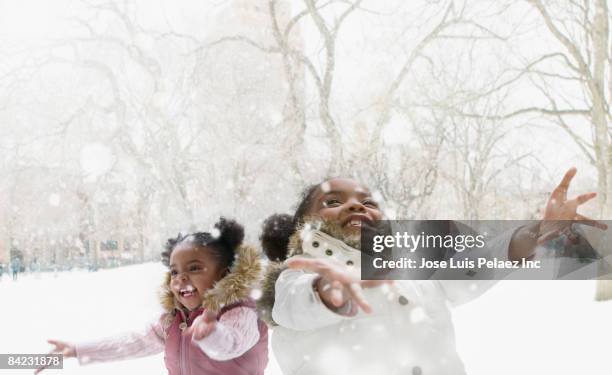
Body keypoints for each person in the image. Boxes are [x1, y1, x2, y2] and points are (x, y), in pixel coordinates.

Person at [258, 168, 606, 375]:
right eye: (332, 202)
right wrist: (330, 292)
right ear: (303, 226)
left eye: (368, 202)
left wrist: (535, 233)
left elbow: (473, 268)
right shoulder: (294, 278)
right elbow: (295, 306)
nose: (355, 205)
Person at [38, 218, 269, 375]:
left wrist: (211, 333)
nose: (180, 278)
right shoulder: (174, 320)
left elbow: (233, 343)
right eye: (174, 271)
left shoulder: (240, 311)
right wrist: (79, 349)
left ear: (224, 274)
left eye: (195, 268)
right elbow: (134, 342)